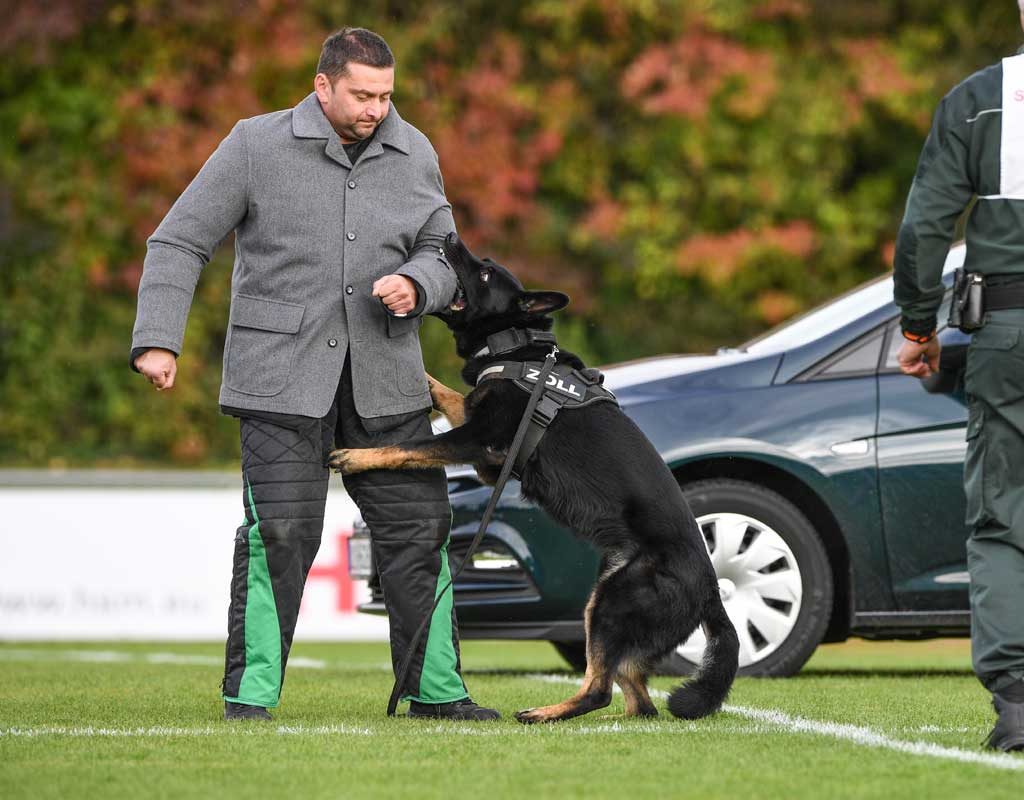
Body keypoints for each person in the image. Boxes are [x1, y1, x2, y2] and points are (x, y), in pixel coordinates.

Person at [130, 27, 499, 722]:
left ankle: (437, 692)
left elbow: (445, 251)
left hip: (389, 383)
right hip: (279, 384)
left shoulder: (414, 149)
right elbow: (178, 240)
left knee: (421, 531)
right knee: (283, 536)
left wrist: (418, 284)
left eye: (386, 95)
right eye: (362, 94)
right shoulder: (253, 144)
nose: (376, 108)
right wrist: (157, 339)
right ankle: (251, 697)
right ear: (322, 85)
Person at [893, 4, 1024, 752]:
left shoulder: (981, 101)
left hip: (1008, 330)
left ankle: (1019, 705)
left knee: (1005, 518)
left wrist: (918, 326)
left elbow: (925, 227)